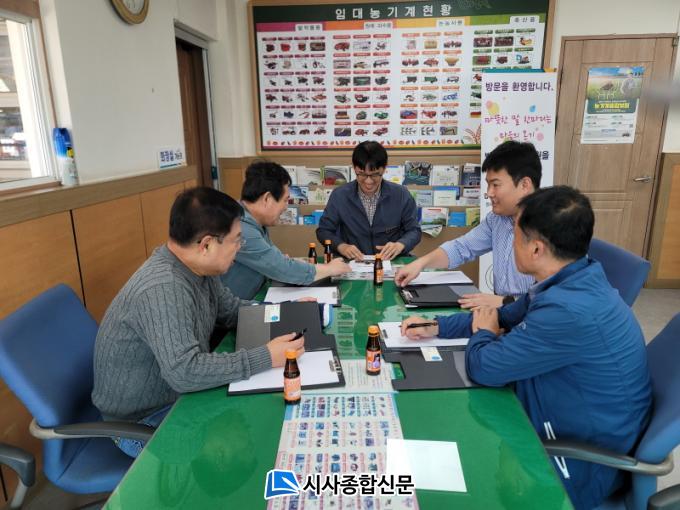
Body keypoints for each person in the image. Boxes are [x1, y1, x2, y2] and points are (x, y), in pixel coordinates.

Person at [401, 186, 652, 510]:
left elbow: (484, 366)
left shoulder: (568, 310)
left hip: (576, 462)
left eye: (515, 237)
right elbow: (504, 316)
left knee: (447, 459)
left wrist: (484, 333)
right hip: (559, 411)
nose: (510, 245)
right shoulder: (572, 277)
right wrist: (437, 326)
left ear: (536, 249)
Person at [92, 187, 305, 457]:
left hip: (176, 395)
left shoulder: (198, 268)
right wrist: (265, 356)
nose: (240, 247)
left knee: (260, 414)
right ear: (206, 245)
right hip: (144, 421)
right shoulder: (164, 288)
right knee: (253, 431)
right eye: (236, 240)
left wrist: (287, 313)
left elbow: (232, 310)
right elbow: (185, 372)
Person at [395, 140, 541, 308]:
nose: (489, 193)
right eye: (488, 185)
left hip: (532, 316)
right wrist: (420, 264)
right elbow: (461, 248)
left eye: (495, 185)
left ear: (524, 185)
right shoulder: (496, 220)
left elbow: (556, 296)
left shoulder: (550, 225)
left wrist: (505, 302)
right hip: (502, 313)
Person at [221, 161, 350, 299]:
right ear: (267, 199)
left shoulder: (253, 220)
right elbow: (280, 268)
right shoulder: (241, 228)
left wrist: (283, 262)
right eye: (285, 200)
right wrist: (329, 269)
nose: (285, 208)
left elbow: (273, 260)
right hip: (236, 308)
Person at [316, 141, 421, 261]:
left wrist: (400, 245)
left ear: (384, 168)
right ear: (354, 168)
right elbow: (324, 231)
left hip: (391, 262)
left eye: (375, 175)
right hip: (352, 263)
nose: (368, 182)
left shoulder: (401, 194)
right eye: (361, 174)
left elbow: (414, 230)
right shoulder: (340, 195)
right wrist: (341, 246)